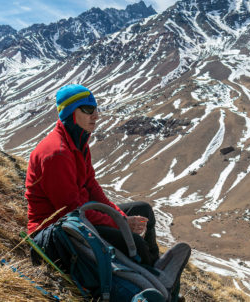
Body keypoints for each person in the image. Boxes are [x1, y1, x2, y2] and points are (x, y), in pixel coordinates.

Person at [25, 84, 159, 265]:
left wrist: (121, 217)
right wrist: (122, 225)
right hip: (56, 233)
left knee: (144, 210)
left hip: (79, 217)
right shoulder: (57, 154)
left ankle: (155, 267)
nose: (96, 116)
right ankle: (152, 284)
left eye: (96, 109)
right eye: (88, 110)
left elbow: (91, 186)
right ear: (70, 113)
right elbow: (71, 211)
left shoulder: (78, 142)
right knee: (134, 243)